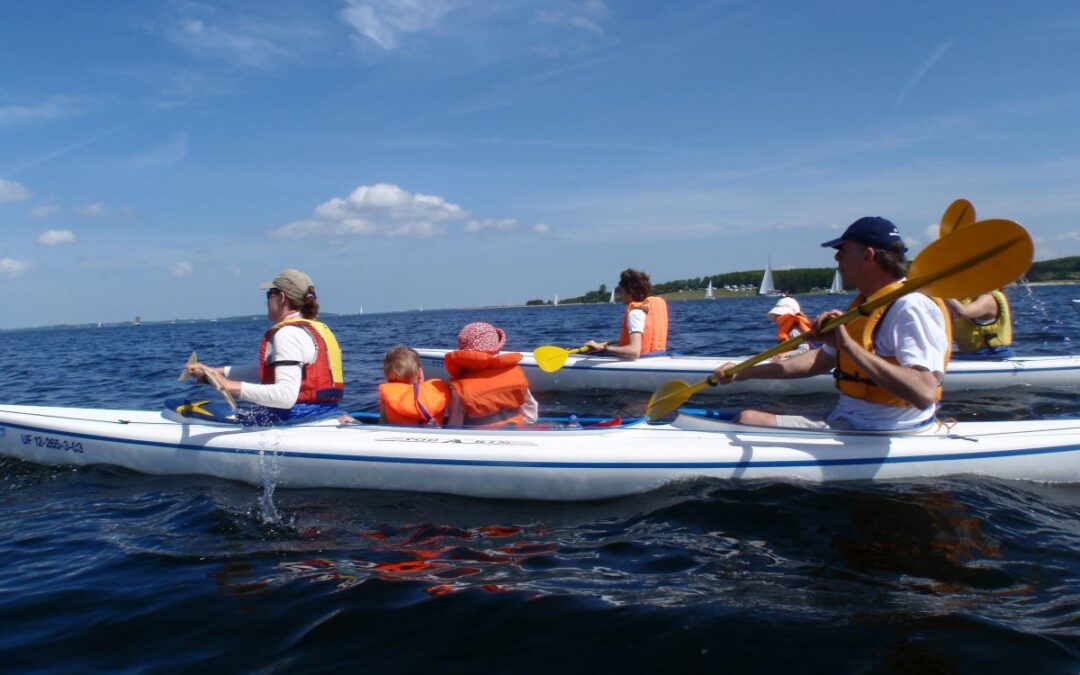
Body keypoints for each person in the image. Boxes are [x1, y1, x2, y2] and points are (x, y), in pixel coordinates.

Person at [712, 216, 951, 431]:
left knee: (748, 418)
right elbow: (818, 360)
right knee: (757, 411)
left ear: (868, 255)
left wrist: (848, 347)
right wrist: (747, 372)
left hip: (885, 429)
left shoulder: (910, 306)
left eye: (842, 250)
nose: (836, 258)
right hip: (850, 419)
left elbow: (924, 392)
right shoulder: (865, 304)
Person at [188, 269, 345, 423]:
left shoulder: (288, 334)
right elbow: (272, 371)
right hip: (327, 414)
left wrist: (227, 386)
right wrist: (215, 372)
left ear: (282, 297)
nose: (267, 301)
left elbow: (285, 397)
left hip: (296, 420)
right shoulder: (318, 329)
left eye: (269, 294)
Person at [444, 322, 539, 427]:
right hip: (514, 430)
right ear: (497, 349)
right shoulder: (515, 373)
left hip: (479, 437)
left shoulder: (459, 388)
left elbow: (455, 425)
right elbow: (531, 416)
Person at [584, 268, 668, 360]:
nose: (619, 294)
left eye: (620, 290)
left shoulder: (635, 314)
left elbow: (634, 352)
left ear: (629, 291)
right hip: (659, 356)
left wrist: (602, 348)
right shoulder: (645, 311)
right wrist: (610, 344)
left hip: (643, 360)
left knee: (593, 355)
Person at [377, 345, 451, 425]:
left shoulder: (388, 396)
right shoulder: (438, 391)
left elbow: (383, 423)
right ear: (419, 372)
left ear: (386, 372)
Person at [945, 290, 1014, 358]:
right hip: (972, 353)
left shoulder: (989, 298)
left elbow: (963, 312)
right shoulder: (970, 299)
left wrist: (942, 293)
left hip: (992, 354)